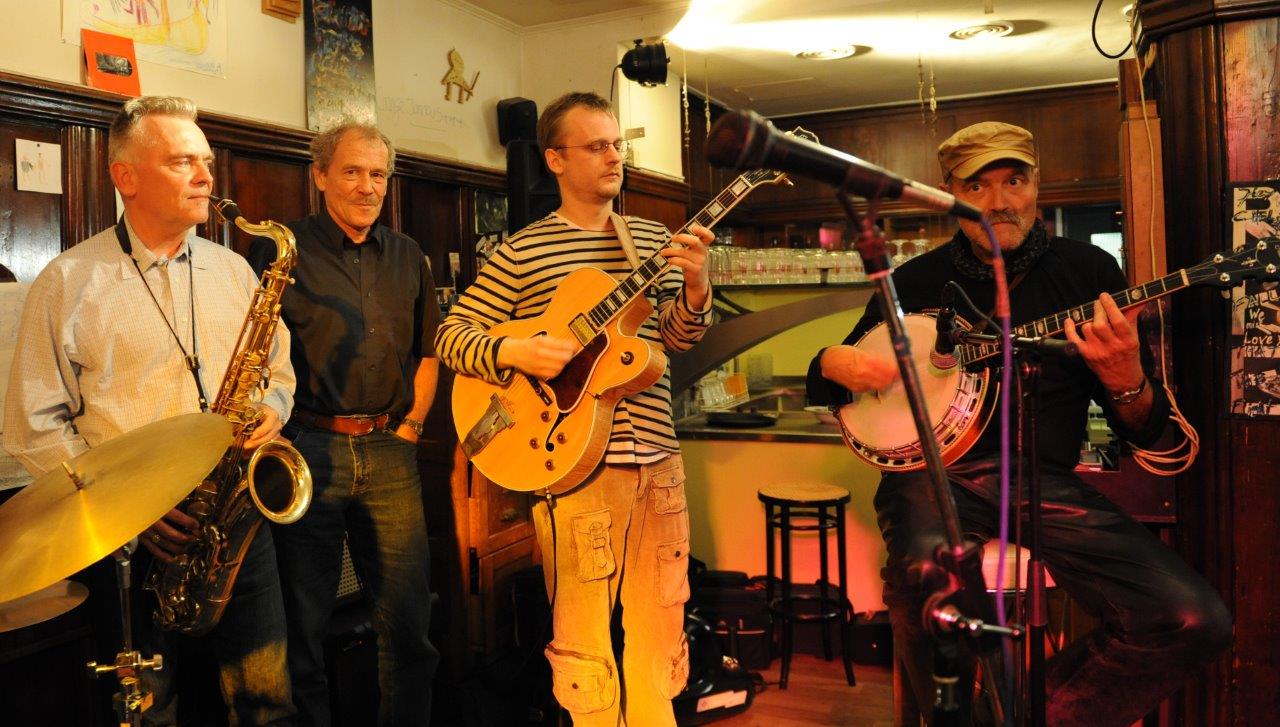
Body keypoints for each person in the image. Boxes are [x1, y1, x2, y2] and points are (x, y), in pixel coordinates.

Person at [807, 121, 1232, 725]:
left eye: (1014, 181)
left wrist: (1124, 378)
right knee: (925, 583)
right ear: (949, 193)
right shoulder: (912, 281)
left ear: (1037, 185)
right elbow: (846, 375)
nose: (999, 201)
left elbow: (1144, 431)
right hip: (933, 479)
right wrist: (829, 361)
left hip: (1044, 481)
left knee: (1191, 617)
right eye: (976, 186)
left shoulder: (1091, 273)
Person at [2, 96, 296, 725]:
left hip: (237, 519)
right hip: (135, 544)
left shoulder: (236, 271)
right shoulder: (67, 281)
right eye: (183, 162)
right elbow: (33, 422)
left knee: (267, 703)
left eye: (206, 161)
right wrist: (124, 503)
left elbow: (277, 371)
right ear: (126, 177)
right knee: (149, 711)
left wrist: (273, 406)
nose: (206, 177)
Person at [434, 91, 714, 726]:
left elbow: (678, 338)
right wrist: (517, 350)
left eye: (617, 145)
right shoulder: (523, 251)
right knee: (585, 651)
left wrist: (698, 285)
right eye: (596, 146)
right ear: (555, 160)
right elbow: (452, 335)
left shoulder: (652, 240)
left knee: (661, 641)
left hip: (659, 464)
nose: (614, 157)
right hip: (576, 466)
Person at [247, 121, 441, 727]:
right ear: (321, 175)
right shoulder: (279, 251)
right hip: (307, 449)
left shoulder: (408, 254)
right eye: (352, 171)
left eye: (378, 174)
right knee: (302, 628)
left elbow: (429, 352)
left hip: (390, 448)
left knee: (409, 628)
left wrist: (411, 428)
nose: (367, 186)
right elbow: (255, 356)